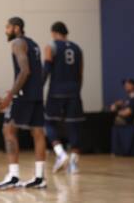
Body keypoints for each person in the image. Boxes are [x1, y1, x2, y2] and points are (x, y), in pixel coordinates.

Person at [0, 17, 47, 189]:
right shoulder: (34, 44)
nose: (5, 31)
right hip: (37, 94)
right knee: (38, 133)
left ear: (16, 28)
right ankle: (39, 177)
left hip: (23, 95)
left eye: (7, 27)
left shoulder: (17, 42)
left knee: (8, 130)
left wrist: (10, 96)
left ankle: (14, 176)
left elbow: (25, 71)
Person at [43, 21, 84, 174]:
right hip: (74, 92)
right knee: (73, 125)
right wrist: (76, 91)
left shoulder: (51, 46)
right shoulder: (77, 49)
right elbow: (80, 74)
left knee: (48, 122)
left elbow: (46, 70)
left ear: (54, 32)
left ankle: (60, 153)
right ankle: (73, 163)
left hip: (56, 92)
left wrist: (38, 88)